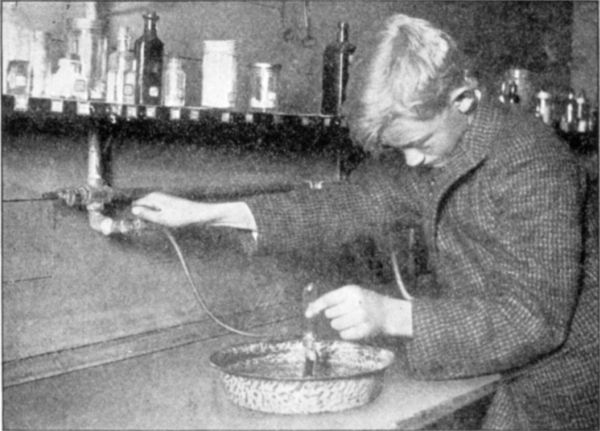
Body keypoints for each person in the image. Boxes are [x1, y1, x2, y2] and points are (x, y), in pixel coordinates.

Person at [132, 14, 598, 430]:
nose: (411, 162)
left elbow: (535, 318)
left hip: (569, 380)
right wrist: (214, 213)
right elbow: (348, 204)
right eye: (399, 149)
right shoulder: (438, 149)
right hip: (499, 361)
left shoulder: (533, 160)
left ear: (461, 99)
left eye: (420, 142)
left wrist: (391, 314)